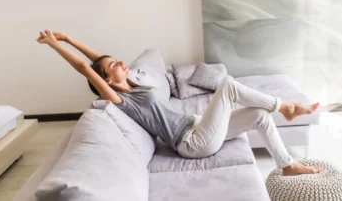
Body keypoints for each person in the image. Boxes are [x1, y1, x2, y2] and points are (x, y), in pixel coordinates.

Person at [36, 30, 323, 176]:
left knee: (260, 116)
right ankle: (286, 107)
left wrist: (69, 37)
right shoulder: (120, 98)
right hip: (192, 143)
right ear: (107, 82)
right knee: (228, 86)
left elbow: (98, 60)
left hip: (198, 128)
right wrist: (54, 45)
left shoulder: (132, 82)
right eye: (114, 65)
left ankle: (286, 164)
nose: (121, 62)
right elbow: (88, 68)